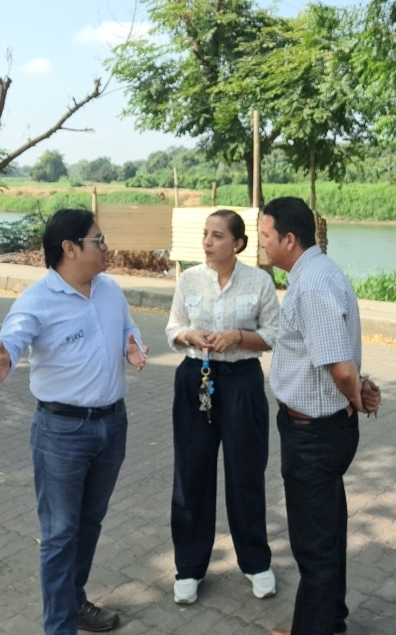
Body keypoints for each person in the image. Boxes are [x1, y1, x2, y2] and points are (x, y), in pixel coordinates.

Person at [0, 209, 147, 635]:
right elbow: (10, 338)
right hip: (62, 432)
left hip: (112, 424)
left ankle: (75, 600)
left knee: (89, 523)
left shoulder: (110, 290)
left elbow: (129, 328)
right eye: (97, 240)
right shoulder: (37, 299)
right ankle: (59, 627)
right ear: (70, 248)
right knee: (59, 534)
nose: (105, 248)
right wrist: (1, 360)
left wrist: (133, 347)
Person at [259, 196, 381, 635]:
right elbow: (337, 362)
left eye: (266, 236)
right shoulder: (316, 273)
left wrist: (355, 394)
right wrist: (355, 388)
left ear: (289, 239)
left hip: (313, 436)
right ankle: (329, 622)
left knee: (314, 547)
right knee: (327, 532)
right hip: (318, 429)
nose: (261, 244)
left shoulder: (311, 285)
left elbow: (340, 368)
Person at [165, 209, 282, 604]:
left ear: (238, 244)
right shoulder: (188, 279)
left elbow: (273, 334)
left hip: (241, 382)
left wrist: (238, 337)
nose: (207, 242)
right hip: (196, 378)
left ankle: (256, 562)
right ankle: (189, 568)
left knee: (245, 473)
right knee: (191, 474)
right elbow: (173, 327)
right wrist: (189, 336)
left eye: (217, 235)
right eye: (205, 234)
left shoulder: (259, 281)